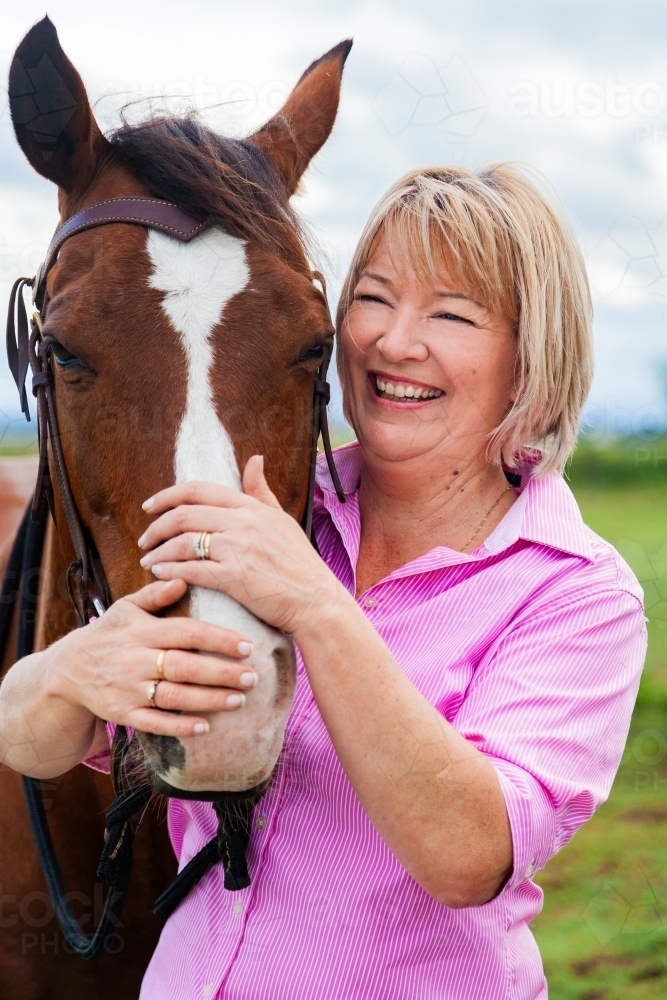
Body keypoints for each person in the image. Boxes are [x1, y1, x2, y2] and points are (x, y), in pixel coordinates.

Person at [0, 164, 646, 999]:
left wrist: (313, 604)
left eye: (450, 314)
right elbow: (39, 738)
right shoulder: (264, 505)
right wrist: (68, 670)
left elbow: (466, 854)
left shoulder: (575, 594)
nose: (392, 341)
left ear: (532, 354)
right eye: (373, 297)